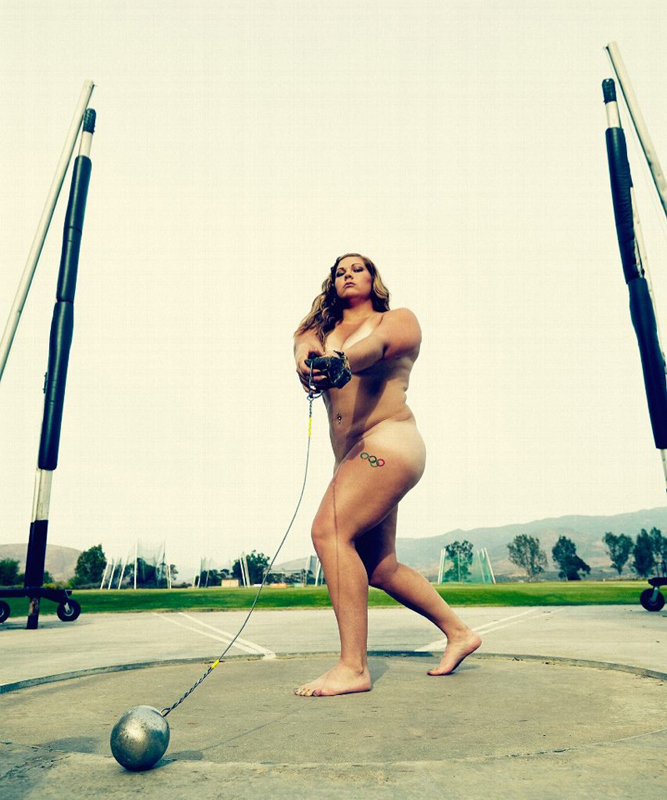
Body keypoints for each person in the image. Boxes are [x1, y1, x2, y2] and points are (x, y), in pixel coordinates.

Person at [292, 253, 481, 697]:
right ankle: (459, 633)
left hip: (389, 442)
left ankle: (353, 668)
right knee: (381, 566)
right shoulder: (319, 330)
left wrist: (341, 361)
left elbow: (373, 348)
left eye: (357, 269)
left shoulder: (397, 320)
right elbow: (303, 343)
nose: (347, 275)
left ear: (374, 278)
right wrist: (306, 358)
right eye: (339, 272)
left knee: (329, 531)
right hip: (353, 456)